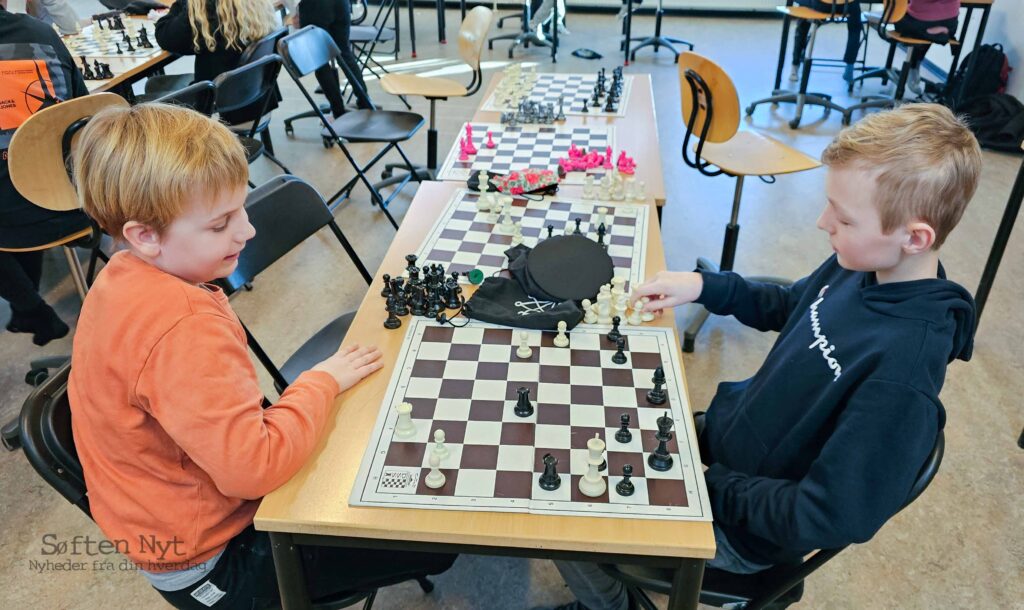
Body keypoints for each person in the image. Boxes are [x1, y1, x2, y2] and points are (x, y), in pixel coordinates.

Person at [545, 103, 982, 610]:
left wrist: (709, 487)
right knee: (585, 430)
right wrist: (707, 286)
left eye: (842, 217)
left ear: (915, 237)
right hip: (724, 447)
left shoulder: (902, 375)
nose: (822, 223)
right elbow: (793, 304)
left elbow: (828, 514)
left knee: (564, 521)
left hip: (744, 529)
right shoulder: (866, 264)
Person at [67, 103, 455, 609]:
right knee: (437, 528)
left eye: (242, 208)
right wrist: (319, 383)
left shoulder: (121, 274)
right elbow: (253, 470)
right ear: (146, 236)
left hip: (173, 526)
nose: (246, 231)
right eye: (220, 223)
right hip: (218, 563)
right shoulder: (182, 325)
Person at [0, 0, 92, 345]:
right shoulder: (41, 34)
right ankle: (28, 308)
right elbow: (85, 116)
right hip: (77, 198)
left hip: (15, 224)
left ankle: (32, 308)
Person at [154, 0, 279, 122]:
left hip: (224, 108)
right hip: (258, 96)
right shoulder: (249, 5)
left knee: (152, 90)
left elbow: (165, 36)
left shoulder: (207, 9)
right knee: (157, 83)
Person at [294, 0, 376, 137]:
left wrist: (294, 11)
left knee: (320, 59)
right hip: (341, 4)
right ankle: (365, 101)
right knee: (345, 53)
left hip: (314, 7)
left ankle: (338, 111)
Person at [895, 0, 961, 94]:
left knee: (897, 18)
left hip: (920, 20)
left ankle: (913, 65)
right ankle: (915, 65)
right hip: (950, 23)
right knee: (929, 24)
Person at [789, 0, 862, 83]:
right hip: (847, 6)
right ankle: (850, 67)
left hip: (821, 5)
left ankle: (795, 64)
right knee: (855, 27)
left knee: (803, 17)